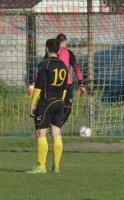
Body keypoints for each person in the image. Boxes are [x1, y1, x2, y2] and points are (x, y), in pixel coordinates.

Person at [27, 38, 72, 174]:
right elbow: (65, 87)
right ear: (58, 50)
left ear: (46, 49)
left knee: (41, 133)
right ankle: (56, 166)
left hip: (46, 101)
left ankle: (41, 166)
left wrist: (33, 103)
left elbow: (39, 86)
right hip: (59, 102)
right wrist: (61, 101)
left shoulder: (44, 64)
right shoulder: (64, 66)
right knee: (56, 134)